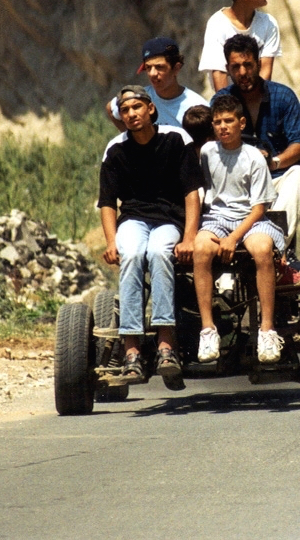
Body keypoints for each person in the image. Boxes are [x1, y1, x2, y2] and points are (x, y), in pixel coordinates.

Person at [97, 85, 203, 390]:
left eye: (136, 108)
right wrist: (110, 241)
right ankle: (132, 351)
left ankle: (166, 347)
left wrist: (190, 237)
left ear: (150, 109)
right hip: (133, 220)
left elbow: (191, 193)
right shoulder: (115, 149)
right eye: (125, 110)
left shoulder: (175, 139)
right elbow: (107, 202)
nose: (131, 114)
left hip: (170, 221)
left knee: (158, 253)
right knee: (130, 254)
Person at [193, 94, 287, 364]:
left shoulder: (254, 157)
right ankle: (207, 329)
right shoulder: (207, 153)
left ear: (241, 123)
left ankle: (267, 330)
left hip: (250, 220)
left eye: (229, 121)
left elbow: (259, 207)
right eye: (218, 122)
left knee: (261, 249)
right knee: (201, 249)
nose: (223, 127)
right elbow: (202, 192)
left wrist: (234, 237)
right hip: (216, 219)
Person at [214, 34, 300, 262]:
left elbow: (299, 144)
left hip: (277, 177)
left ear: (259, 64)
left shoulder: (283, 96)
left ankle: (276, 249)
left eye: (248, 65)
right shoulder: (222, 100)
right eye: (235, 67)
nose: (242, 72)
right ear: (228, 69)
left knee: (299, 173)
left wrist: (273, 162)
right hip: (238, 184)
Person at [198, 0, 282, 91]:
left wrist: (254, 107)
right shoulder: (217, 24)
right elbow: (219, 76)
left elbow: (265, 72)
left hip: (258, 102)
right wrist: (229, 110)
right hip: (228, 105)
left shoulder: (268, 23)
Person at [105, 37, 208, 131]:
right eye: (148, 68)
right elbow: (111, 108)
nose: (152, 74)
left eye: (159, 67)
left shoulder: (195, 106)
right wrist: (131, 140)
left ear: (176, 68)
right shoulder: (140, 97)